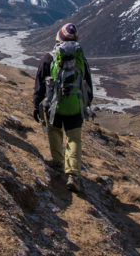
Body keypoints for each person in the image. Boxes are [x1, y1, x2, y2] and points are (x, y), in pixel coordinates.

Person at [32, 22, 93, 192]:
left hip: (54, 106)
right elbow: (88, 82)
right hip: (75, 106)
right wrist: (87, 103)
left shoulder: (48, 58)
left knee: (55, 132)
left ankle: (58, 163)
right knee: (74, 139)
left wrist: (36, 105)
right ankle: (73, 174)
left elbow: (40, 85)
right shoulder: (80, 60)